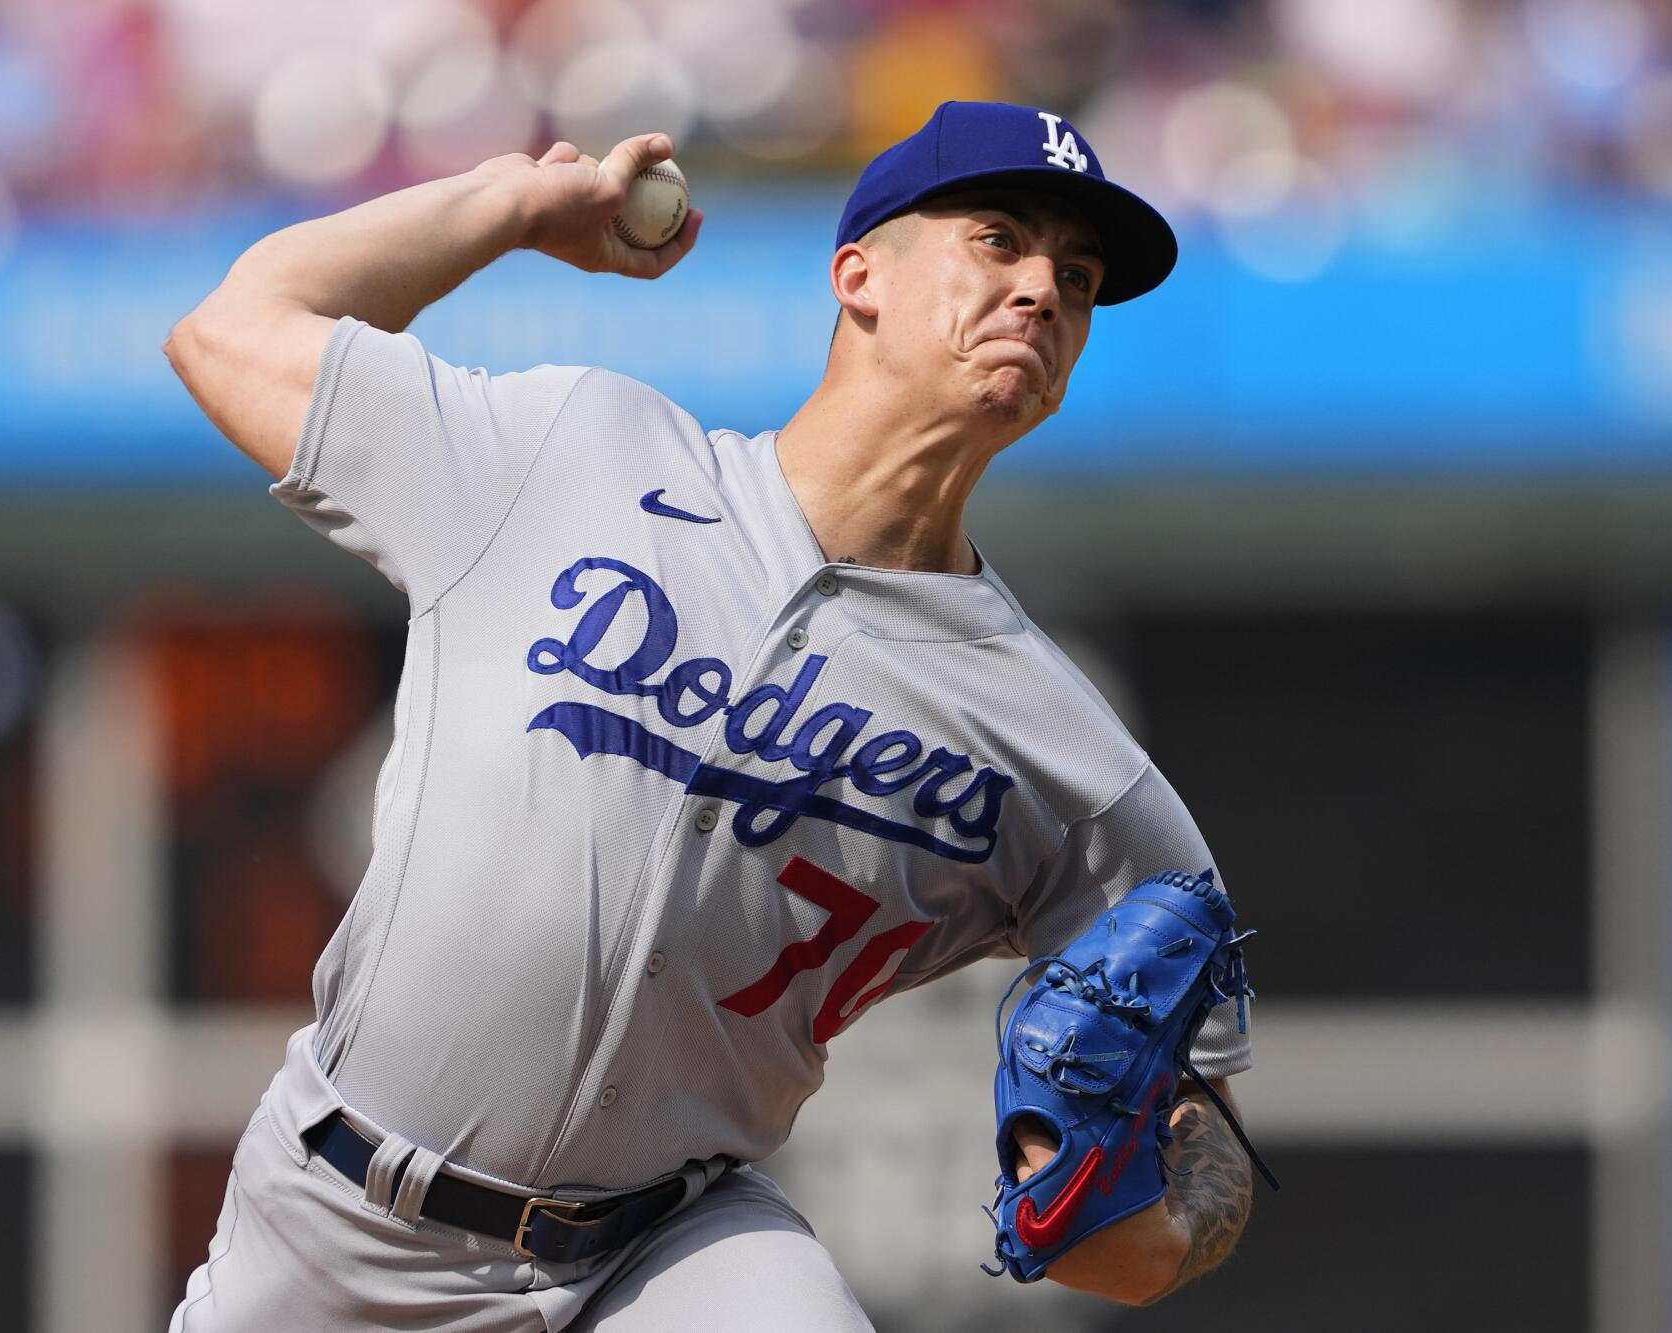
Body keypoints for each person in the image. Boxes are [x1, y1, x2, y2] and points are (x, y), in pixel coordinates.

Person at [162, 100, 1257, 1332]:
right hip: (338, 1222)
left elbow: (1195, 1111)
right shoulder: (572, 453)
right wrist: (516, 205)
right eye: (998, 239)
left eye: (1077, 275)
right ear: (859, 276)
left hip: (662, 1254)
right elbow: (231, 331)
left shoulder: (1062, 754)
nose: (1041, 289)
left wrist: (1149, 1228)